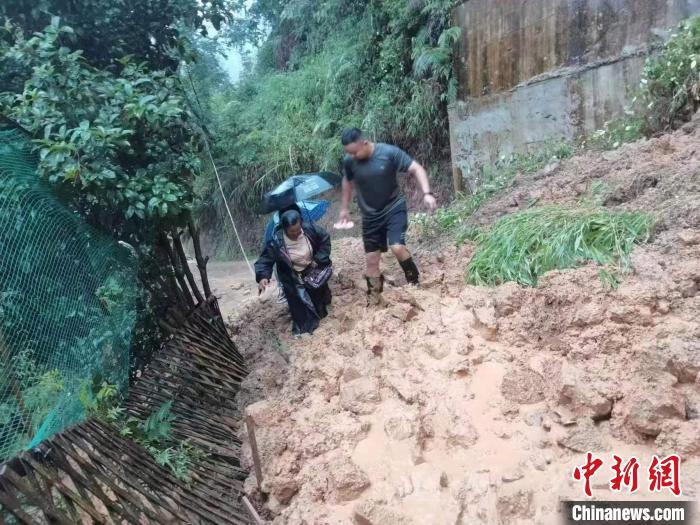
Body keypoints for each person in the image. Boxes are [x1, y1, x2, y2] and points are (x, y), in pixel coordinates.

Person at [337, 127, 437, 303]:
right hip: (370, 217)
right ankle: (375, 297)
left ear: (364, 143)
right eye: (348, 153)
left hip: (393, 208)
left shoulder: (389, 152)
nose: (351, 156)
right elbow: (347, 181)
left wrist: (427, 193)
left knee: (397, 247)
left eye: (354, 152)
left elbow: (417, 169)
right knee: (371, 261)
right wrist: (344, 208)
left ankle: (414, 281)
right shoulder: (350, 161)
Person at [255, 209, 332, 335]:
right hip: (292, 276)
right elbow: (264, 260)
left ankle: (322, 319)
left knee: (318, 300)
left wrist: (318, 259)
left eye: (298, 229)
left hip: (312, 270)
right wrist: (263, 277)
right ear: (284, 229)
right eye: (292, 232)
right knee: (300, 305)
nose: (296, 234)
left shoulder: (310, 229)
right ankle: (307, 329)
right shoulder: (277, 241)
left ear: (301, 223)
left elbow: (325, 240)